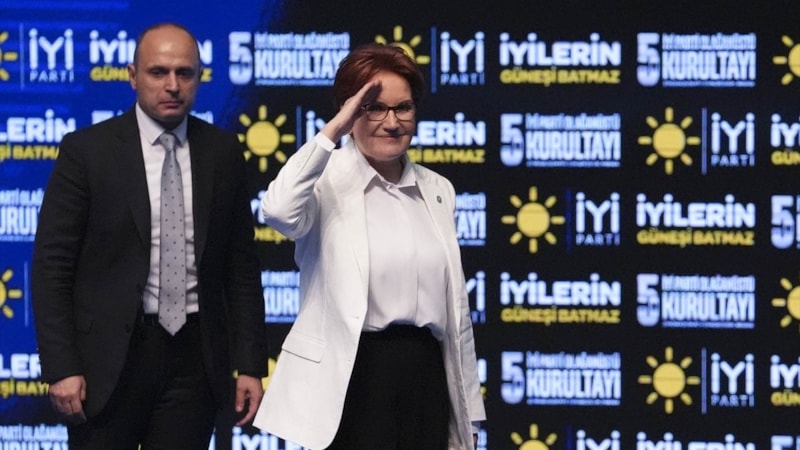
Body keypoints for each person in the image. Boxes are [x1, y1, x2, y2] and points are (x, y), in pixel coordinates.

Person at [31, 22, 267, 449]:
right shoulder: (87, 151)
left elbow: (241, 269)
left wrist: (250, 364)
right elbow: (52, 268)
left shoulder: (223, 152)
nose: (172, 85)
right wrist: (61, 367)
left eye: (184, 73)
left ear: (199, 77)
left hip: (196, 359)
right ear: (132, 76)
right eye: (158, 72)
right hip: (106, 362)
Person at [252, 43, 486, 450]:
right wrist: (332, 132)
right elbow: (276, 211)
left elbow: (456, 316)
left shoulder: (438, 189)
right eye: (374, 108)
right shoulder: (324, 181)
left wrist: (470, 413)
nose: (391, 122)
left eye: (403, 108)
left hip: (426, 375)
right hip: (353, 376)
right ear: (350, 112)